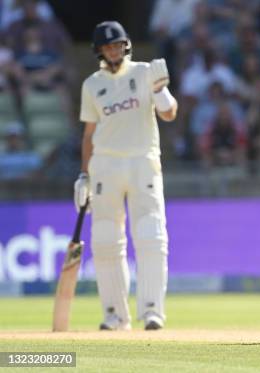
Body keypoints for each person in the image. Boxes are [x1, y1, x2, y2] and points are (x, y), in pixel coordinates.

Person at [73, 21, 178, 331]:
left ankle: (152, 312)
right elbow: (89, 134)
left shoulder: (146, 72)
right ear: (99, 51)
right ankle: (115, 315)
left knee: (151, 235)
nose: (113, 50)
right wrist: (83, 175)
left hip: (143, 163)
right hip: (105, 166)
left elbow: (169, 113)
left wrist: (160, 91)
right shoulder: (92, 84)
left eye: (117, 45)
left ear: (126, 45)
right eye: (107, 47)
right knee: (105, 239)